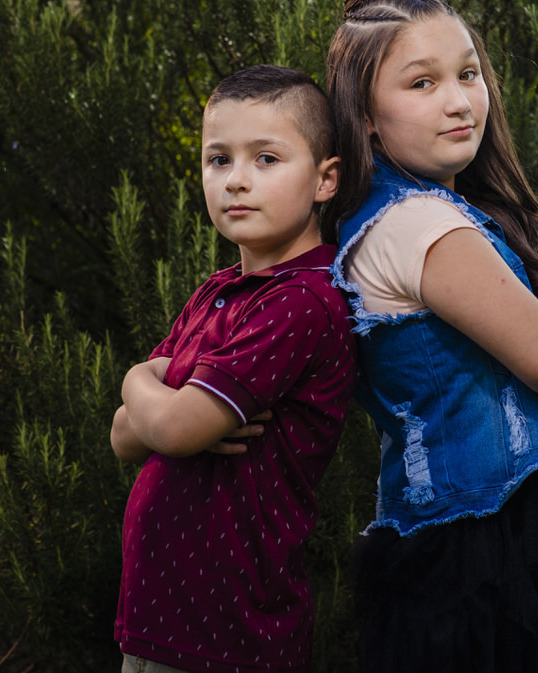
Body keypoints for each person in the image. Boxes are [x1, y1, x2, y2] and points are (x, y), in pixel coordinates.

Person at [324, 0, 538, 673]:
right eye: (422, 83)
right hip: (484, 551)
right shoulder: (419, 225)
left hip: (497, 538)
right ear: (366, 116)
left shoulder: (433, 213)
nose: (460, 100)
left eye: (468, 73)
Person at [109, 64, 356, 673]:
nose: (236, 181)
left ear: (326, 180)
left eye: (266, 159)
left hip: (228, 634)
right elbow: (123, 438)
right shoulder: (217, 292)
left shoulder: (301, 302)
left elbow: (167, 432)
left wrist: (141, 382)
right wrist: (153, 397)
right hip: (153, 616)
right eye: (218, 159)